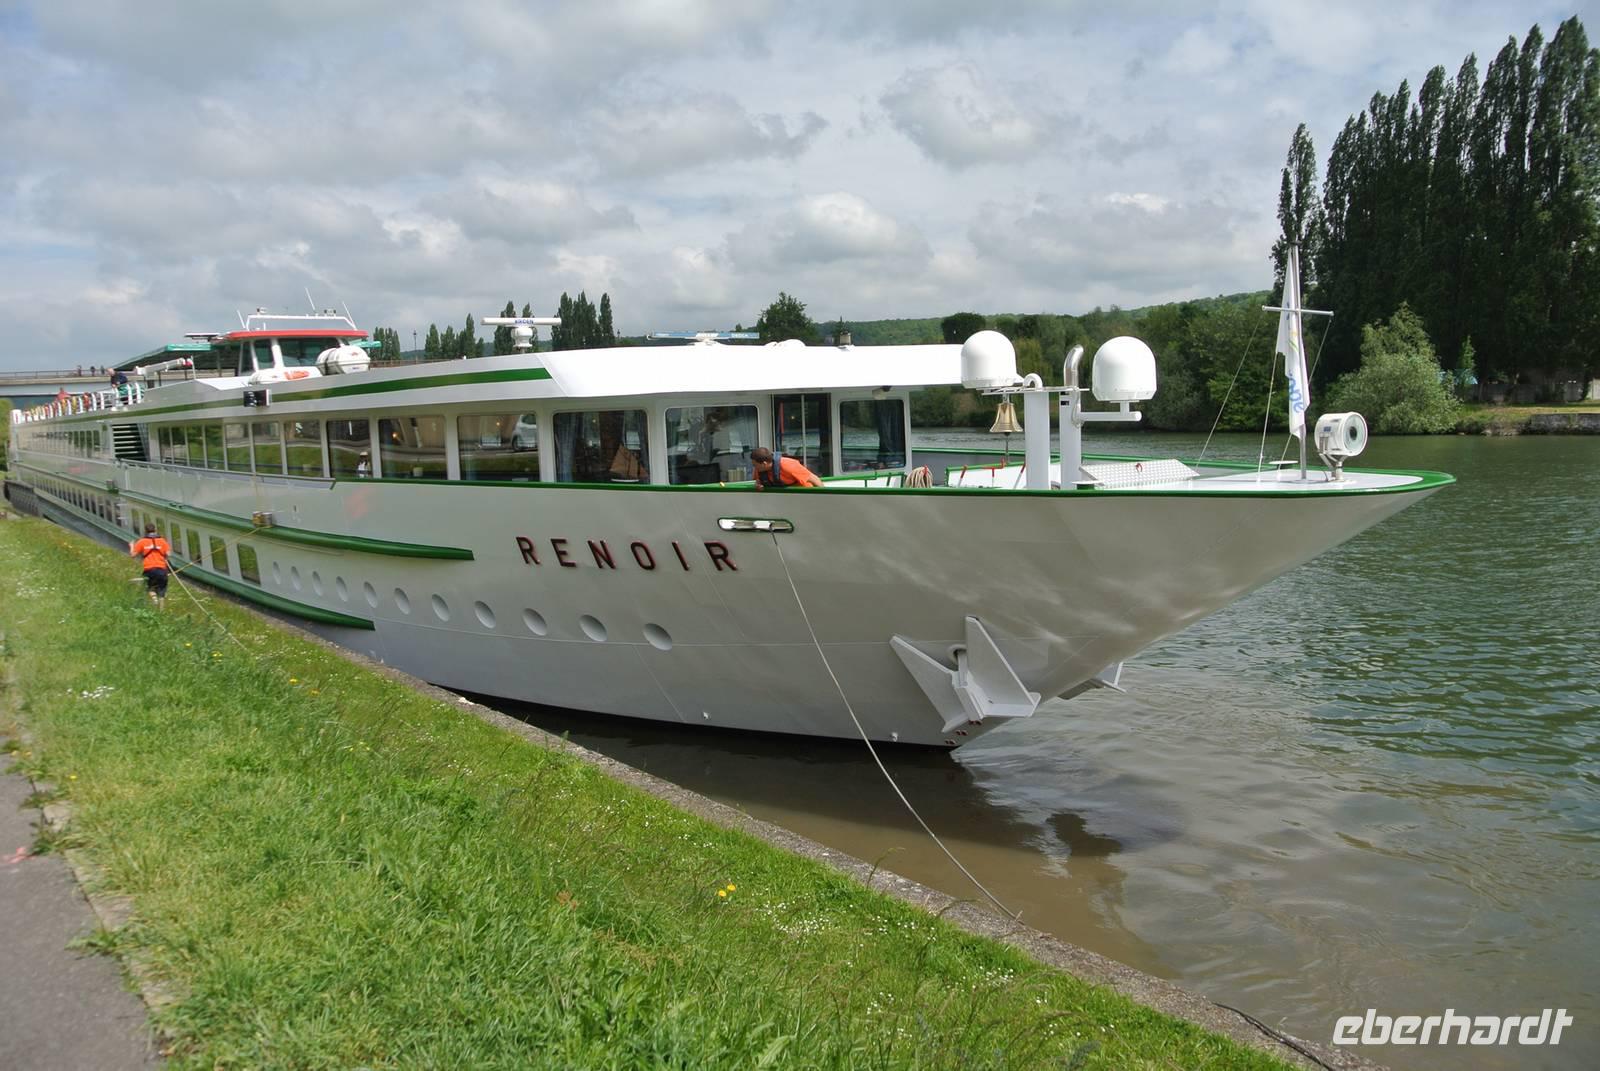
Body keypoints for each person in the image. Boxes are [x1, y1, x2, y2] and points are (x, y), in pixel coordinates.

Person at [129, 523, 172, 609]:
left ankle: (154, 600)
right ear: (155, 530)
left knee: (149, 587)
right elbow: (168, 554)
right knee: (162, 591)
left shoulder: (142, 541)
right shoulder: (162, 541)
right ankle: (161, 610)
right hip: (162, 569)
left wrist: (131, 546)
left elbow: (133, 555)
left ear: (145, 531)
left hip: (149, 569)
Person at [750, 446, 822, 489]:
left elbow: (814, 479)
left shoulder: (788, 465)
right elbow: (758, 480)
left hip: (804, 494)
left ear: (764, 464)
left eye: (755, 465)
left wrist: (824, 497)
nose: (754, 467)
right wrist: (758, 484)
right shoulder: (759, 469)